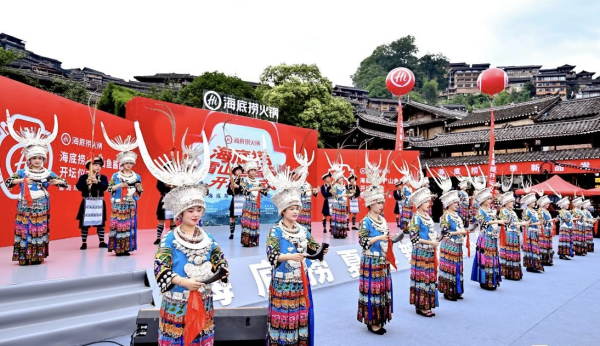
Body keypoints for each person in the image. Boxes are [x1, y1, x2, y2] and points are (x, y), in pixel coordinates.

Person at [139, 129, 230, 346]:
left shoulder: (207, 237)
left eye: (199, 209)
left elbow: (219, 258)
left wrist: (221, 270)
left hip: (203, 299)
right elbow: (160, 268)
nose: (196, 214)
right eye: (191, 211)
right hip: (177, 302)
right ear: (180, 213)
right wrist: (183, 282)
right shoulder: (170, 239)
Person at [264, 163, 328, 345]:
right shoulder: (275, 231)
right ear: (283, 210)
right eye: (291, 208)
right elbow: (272, 255)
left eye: (297, 208)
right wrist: (290, 257)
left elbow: (313, 248)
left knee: (299, 317)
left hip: (301, 282)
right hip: (283, 282)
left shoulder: (303, 231)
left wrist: (321, 251)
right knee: (282, 317)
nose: (295, 212)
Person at [4, 113, 67, 265]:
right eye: (34, 158)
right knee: (24, 227)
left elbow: (63, 182)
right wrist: (25, 180)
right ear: (29, 160)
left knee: (39, 228)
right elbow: (8, 182)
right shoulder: (22, 171)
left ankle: (37, 255)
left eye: (40, 158)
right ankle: (23, 256)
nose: (37, 161)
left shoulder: (47, 172)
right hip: (26, 204)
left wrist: (54, 182)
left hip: (41, 204)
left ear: (43, 159)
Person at [357, 158, 395, 334]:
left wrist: (390, 239)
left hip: (382, 261)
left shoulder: (383, 220)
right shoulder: (365, 222)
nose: (382, 206)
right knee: (373, 290)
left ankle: (380, 318)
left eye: (382, 202)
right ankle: (372, 321)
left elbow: (385, 238)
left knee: (382, 290)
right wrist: (380, 237)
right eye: (379, 203)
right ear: (370, 203)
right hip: (371, 261)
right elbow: (363, 242)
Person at [409, 186, 439, 317]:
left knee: (429, 277)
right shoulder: (416, 218)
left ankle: (427, 304)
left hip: (429, 252)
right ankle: (421, 306)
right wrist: (430, 242)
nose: (429, 204)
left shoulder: (427, 216)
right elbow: (413, 238)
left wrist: (435, 238)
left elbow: (429, 233)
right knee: (422, 278)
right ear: (420, 203)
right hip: (420, 253)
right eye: (427, 201)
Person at [107, 151, 143, 256]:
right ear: (122, 163)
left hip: (130, 203)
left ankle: (127, 248)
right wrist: (119, 186)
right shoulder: (116, 175)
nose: (129, 165)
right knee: (118, 225)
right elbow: (109, 188)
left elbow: (139, 191)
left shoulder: (136, 176)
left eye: (131, 163)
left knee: (129, 225)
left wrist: (139, 189)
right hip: (119, 204)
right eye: (127, 162)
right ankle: (118, 249)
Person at [471, 187, 505, 290]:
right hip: (485, 237)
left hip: (492, 237)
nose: (491, 200)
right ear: (483, 200)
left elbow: (495, 220)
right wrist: (497, 222)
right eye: (489, 198)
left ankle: (492, 280)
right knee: (485, 259)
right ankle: (485, 281)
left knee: (493, 257)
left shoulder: (490, 211)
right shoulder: (480, 212)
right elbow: (483, 223)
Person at [439, 190, 468, 301]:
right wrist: (460, 232)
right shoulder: (445, 216)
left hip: (458, 245)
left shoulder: (457, 216)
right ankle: (449, 291)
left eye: (457, 202)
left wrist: (462, 232)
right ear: (449, 204)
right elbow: (445, 233)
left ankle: (457, 290)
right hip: (449, 245)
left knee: (457, 267)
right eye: (455, 202)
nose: (457, 205)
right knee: (449, 268)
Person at [76, 155, 108, 250]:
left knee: (101, 223)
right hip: (87, 202)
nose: (98, 167)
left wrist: (97, 182)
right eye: (95, 165)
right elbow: (78, 187)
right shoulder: (83, 177)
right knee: (84, 223)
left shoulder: (103, 177)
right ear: (89, 166)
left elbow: (105, 187)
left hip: (99, 202)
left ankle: (101, 241)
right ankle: (84, 242)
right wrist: (86, 183)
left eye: (99, 165)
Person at [497, 192, 528, 280]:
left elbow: (516, 221)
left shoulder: (513, 212)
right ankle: (508, 272)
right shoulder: (503, 211)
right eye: (511, 201)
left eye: (512, 201)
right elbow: (508, 222)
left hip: (515, 233)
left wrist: (522, 223)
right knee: (509, 252)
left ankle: (514, 272)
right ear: (506, 202)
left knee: (514, 251)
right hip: (508, 233)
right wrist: (522, 223)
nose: (512, 203)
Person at [240, 158, 268, 247]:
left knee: (255, 222)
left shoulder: (258, 181)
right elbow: (244, 191)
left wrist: (267, 188)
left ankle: (254, 241)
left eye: (254, 170)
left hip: (256, 204)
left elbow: (264, 192)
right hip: (248, 203)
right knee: (248, 221)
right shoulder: (244, 180)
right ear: (247, 171)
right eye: (251, 170)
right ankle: (246, 241)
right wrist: (255, 188)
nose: (253, 172)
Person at [521, 193, 544, 273]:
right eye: (533, 201)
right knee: (531, 248)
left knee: (535, 248)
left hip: (535, 232)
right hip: (529, 232)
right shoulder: (526, 211)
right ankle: (530, 265)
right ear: (529, 202)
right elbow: (525, 222)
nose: (535, 203)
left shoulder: (534, 211)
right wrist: (536, 223)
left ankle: (535, 265)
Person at [154, 178, 176, 245]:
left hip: (174, 200)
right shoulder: (161, 177)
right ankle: (158, 238)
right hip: (164, 199)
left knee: (173, 220)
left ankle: (173, 237)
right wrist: (166, 185)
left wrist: (174, 186)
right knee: (161, 219)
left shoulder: (175, 177)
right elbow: (159, 187)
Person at [226, 164, 244, 240]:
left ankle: (245, 233)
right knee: (232, 217)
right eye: (237, 170)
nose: (239, 171)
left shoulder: (244, 181)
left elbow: (245, 190)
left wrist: (239, 187)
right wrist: (231, 188)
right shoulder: (232, 181)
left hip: (243, 200)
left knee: (244, 217)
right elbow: (229, 192)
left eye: (240, 170)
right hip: (235, 200)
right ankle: (231, 233)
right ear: (234, 172)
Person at [537, 195, 556, 266]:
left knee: (548, 244)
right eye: (547, 203)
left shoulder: (546, 211)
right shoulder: (540, 211)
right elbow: (542, 221)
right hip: (543, 229)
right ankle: (543, 259)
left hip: (548, 229)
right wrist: (551, 220)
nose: (548, 204)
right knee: (543, 244)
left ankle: (547, 259)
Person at [330, 171, 349, 239]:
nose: (342, 179)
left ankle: (342, 233)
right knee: (337, 218)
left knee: (343, 218)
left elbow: (347, 193)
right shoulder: (335, 186)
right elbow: (334, 195)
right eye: (340, 178)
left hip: (343, 204)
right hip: (337, 204)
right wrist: (341, 195)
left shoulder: (343, 186)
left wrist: (347, 195)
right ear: (337, 179)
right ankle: (336, 233)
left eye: (342, 178)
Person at [556, 195, 574, 260]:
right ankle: (562, 254)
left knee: (567, 240)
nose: (568, 205)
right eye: (567, 204)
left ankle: (565, 253)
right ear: (564, 205)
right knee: (564, 241)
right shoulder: (561, 212)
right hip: (564, 228)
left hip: (568, 227)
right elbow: (565, 219)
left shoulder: (567, 211)